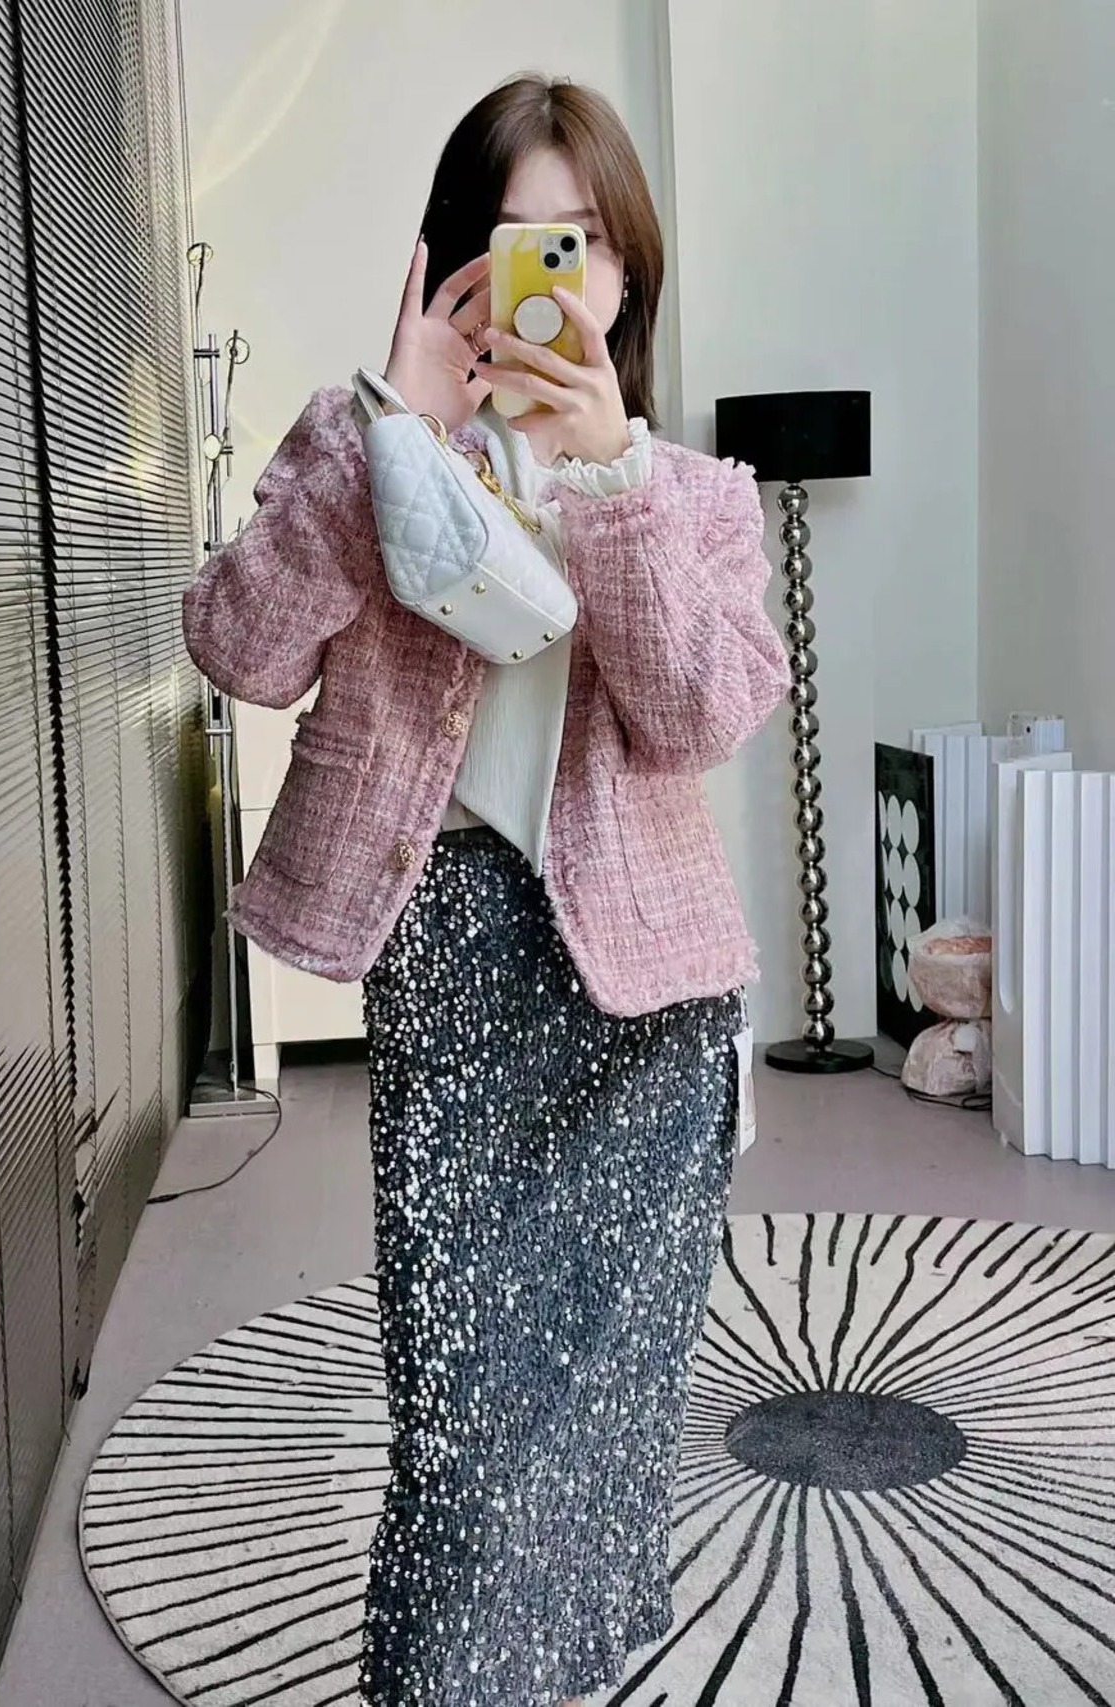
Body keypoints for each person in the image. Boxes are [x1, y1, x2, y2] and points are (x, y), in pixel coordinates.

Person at [183, 72, 787, 1707]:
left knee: (605, 1397)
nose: (547, 280)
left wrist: (608, 487)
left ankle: (565, 1665)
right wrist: (385, 424)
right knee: (459, 1408)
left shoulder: (692, 496)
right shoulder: (367, 452)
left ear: (625, 275)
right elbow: (237, 648)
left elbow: (699, 717)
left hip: (649, 1004)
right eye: (513, 242)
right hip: (451, 966)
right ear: (451, 260)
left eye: (576, 243)